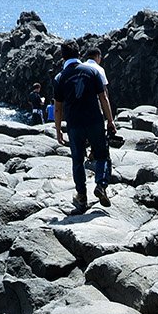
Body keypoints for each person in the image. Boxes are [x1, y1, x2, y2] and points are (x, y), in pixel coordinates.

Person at [53, 39, 115, 213]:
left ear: (62, 57)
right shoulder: (92, 71)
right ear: (79, 53)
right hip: (94, 120)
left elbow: (58, 108)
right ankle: (101, 185)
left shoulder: (60, 78)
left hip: (74, 125)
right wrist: (110, 121)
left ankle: (82, 197)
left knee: (78, 160)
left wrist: (58, 130)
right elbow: (103, 98)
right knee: (102, 155)